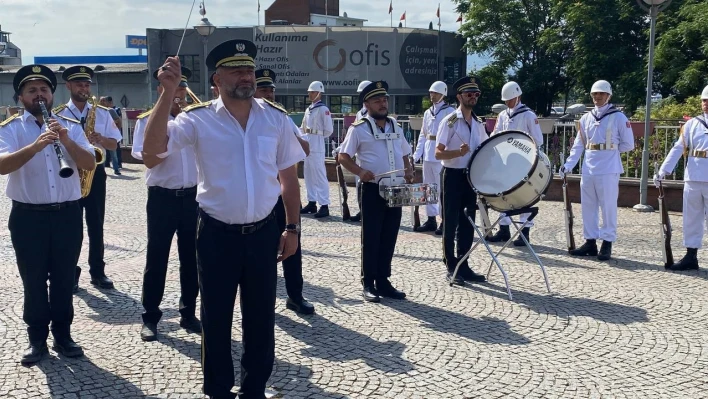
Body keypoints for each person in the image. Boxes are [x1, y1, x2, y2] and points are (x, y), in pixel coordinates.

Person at [142, 39, 305, 399]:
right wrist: (167, 94)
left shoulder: (275, 119)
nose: (246, 75)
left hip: (264, 231)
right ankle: (217, 389)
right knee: (215, 318)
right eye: (236, 69)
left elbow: (289, 179)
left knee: (261, 316)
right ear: (217, 79)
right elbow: (152, 154)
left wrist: (292, 227)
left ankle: (254, 389)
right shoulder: (196, 120)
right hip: (216, 233)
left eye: (248, 68)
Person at [0, 64, 97, 364]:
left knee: (64, 278)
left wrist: (65, 139)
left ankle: (64, 335)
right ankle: (36, 339)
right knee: (33, 278)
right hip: (29, 217)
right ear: (21, 97)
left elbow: (90, 163)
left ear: (52, 94)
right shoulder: (11, 128)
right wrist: (36, 144)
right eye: (32, 90)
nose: (39, 94)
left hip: (67, 215)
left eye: (44, 89)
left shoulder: (71, 125)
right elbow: (2, 165)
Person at [131, 66, 202, 341]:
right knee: (157, 258)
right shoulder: (146, 121)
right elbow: (149, 157)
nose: (179, 96)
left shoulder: (194, 121)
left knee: (192, 259)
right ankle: (150, 317)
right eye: (173, 90)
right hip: (162, 197)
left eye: (182, 91)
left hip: (192, 197)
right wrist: (167, 136)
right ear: (161, 90)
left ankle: (188, 313)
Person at [338, 81, 414, 303]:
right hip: (372, 190)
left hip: (396, 189)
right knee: (371, 237)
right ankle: (368, 282)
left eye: (384, 100)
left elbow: (405, 153)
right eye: (377, 100)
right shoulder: (359, 128)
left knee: (389, 236)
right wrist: (360, 171)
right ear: (367, 104)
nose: (382, 104)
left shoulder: (395, 126)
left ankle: (384, 280)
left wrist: (408, 169)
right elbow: (343, 157)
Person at [54, 65, 123, 292]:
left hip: (96, 173)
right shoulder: (59, 114)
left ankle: (98, 271)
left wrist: (101, 138)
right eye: (79, 84)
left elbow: (115, 144)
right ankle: (70, 272)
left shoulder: (101, 113)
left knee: (96, 224)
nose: (84, 88)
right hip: (70, 172)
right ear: (69, 86)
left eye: (86, 85)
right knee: (71, 226)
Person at [253, 68, 315, 315]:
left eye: (271, 89)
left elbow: (306, 149)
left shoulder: (282, 118)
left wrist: (288, 134)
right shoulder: (247, 120)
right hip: (262, 195)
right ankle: (263, 299)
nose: (269, 94)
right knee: (262, 251)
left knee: (293, 246)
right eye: (264, 89)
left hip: (285, 193)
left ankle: (295, 295)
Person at [560, 80, 634, 261]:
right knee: (588, 206)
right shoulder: (586, 118)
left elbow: (628, 144)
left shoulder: (618, 117)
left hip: (608, 167)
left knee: (608, 206)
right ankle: (590, 241)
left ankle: (607, 242)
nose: (598, 97)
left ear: (609, 96)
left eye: (601, 94)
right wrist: (568, 165)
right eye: (595, 94)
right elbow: (579, 145)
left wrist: (610, 149)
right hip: (589, 165)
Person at [435, 76, 489, 286]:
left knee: (468, 223)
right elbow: (438, 153)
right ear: (459, 97)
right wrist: (457, 152)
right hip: (452, 176)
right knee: (450, 222)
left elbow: (484, 150)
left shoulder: (478, 124)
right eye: (469, 94)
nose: (473, 97)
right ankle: (451, 266)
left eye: (476, 94)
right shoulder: (450, 121)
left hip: (470, 177)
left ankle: (464, 265)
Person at [654, 84, 708, 270]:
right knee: (691, 218)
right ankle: (691, 255)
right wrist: (663, 170)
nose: (706, 104)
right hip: (693, 176)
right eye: (704, 100)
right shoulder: (692, 124)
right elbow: (678, 148)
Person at [487, 81, 544, 245]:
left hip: (522, 160)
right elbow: (495, 135)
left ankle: (524, 231)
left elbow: (537, 140)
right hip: (505, 160)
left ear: (517, 97)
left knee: (522, 196)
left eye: (509, 100)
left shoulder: (528, 115)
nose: (507, 103)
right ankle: (504, 228)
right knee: (503, 194)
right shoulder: (503, 115)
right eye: (505, 100)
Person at [413, 81, 454, 233]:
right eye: (431, 92)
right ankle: (431, 219)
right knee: (428, 188)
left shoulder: (451, 112)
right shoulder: (427, 112)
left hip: (442, 154)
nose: (432, 95)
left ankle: (444, 220)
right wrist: (417, 155)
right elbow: (423, 135)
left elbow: (453, 133)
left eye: (435, 93)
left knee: (442, 189)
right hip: (428, 152)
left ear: (443, 93)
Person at [338, 80, 372, 223]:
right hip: (359, 154)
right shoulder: (360, 113)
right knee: (359, 183)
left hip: (368, 153)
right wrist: (341, 149)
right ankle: (361, 209)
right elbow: (353, 135)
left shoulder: (372, 113)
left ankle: (367, 211)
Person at [300, 81, 333, 218]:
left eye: (312, 92)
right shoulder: (309, 109)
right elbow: (303, 126)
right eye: (309, 92)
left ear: (319, 93)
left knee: (319, 175)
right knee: (308, 174)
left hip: (317, 143)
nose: (310, 94)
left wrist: (317, 136)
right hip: (308, 142)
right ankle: (312, 201)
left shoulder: (323, 109)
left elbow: (329, 130)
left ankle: (324, 204)